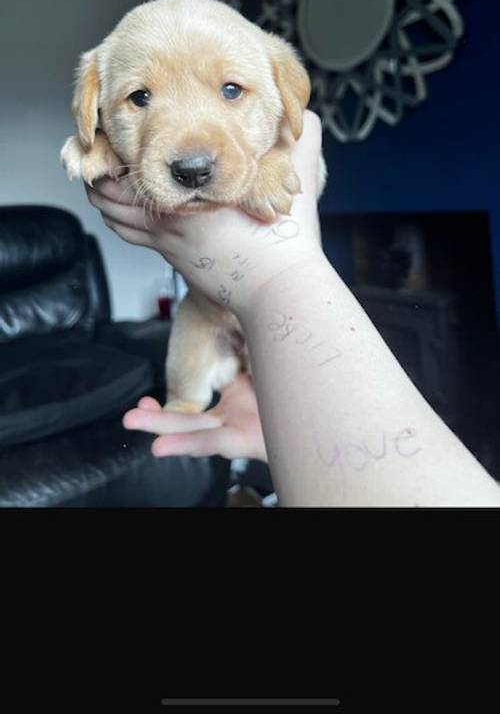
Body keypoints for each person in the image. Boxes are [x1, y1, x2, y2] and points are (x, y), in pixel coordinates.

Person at [86, 112, 500, 507]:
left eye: (232, 89)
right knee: (190, 356)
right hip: (213, 321)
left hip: (254, 313)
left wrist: (273, 269)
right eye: (141, 96)